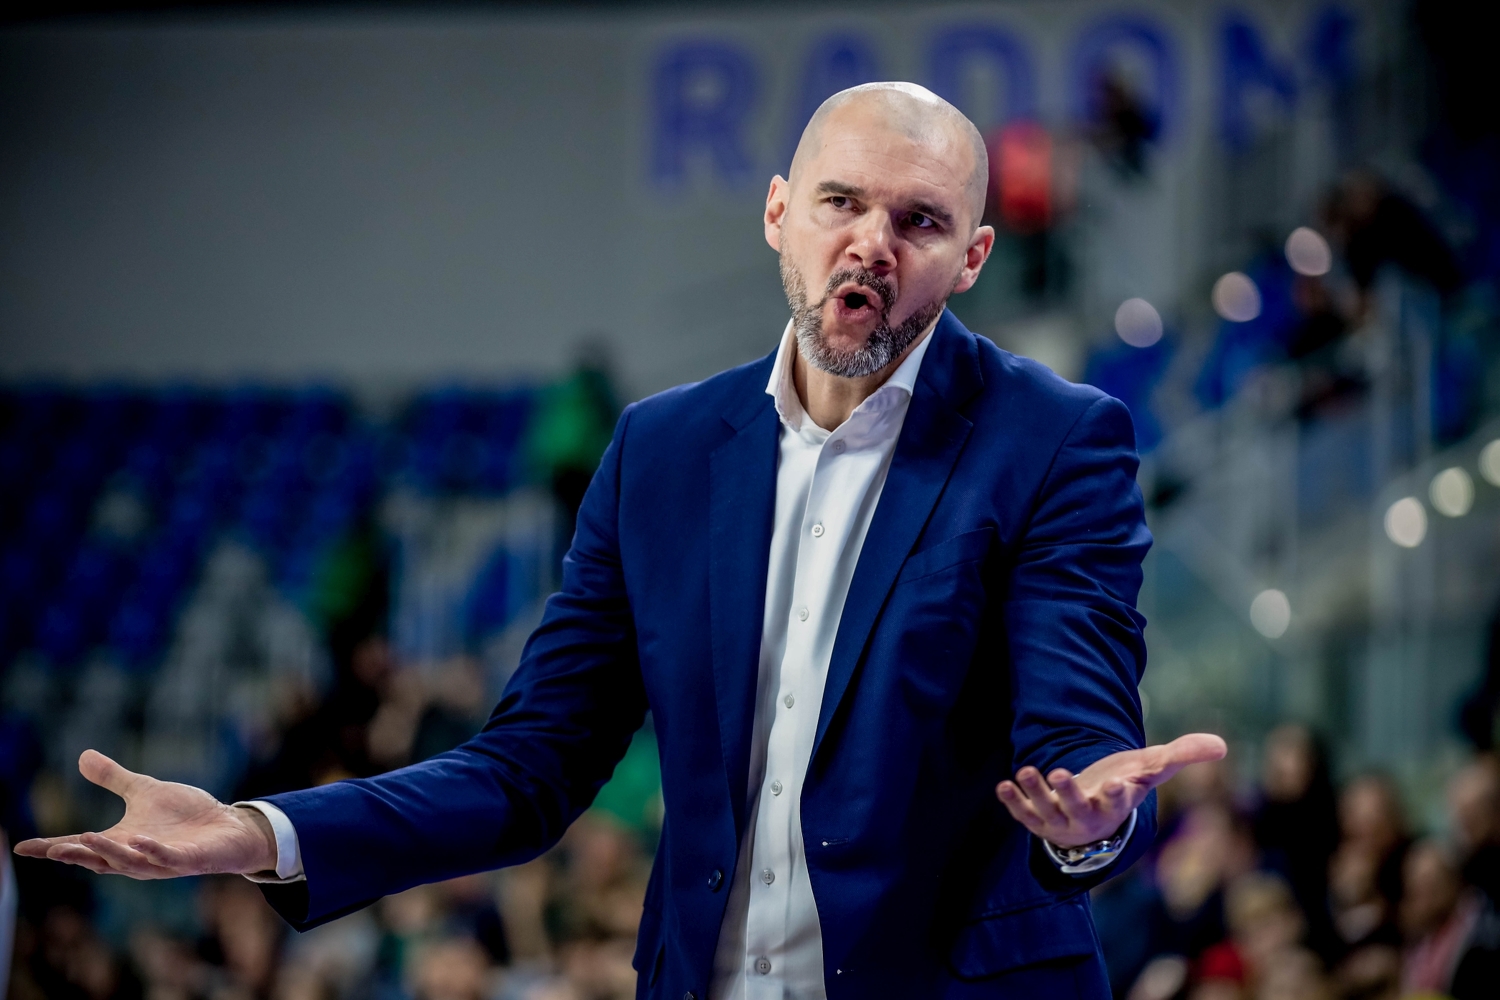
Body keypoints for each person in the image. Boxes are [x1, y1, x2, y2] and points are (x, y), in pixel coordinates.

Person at [16, 83, 1224, 999]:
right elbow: (529, 766)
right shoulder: (660, 450)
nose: (872, 241)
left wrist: (1093, 822)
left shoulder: (1055, 440)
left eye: (920, 220)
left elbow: (1078, 726)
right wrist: (262, 830)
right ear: (778, 213)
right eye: (841, 202)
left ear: (971, 258)